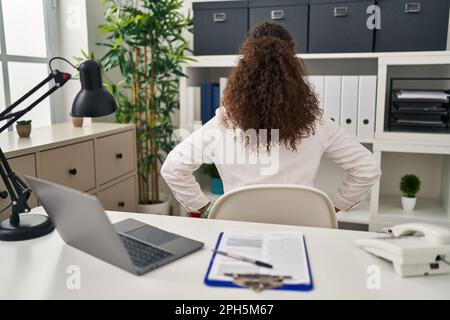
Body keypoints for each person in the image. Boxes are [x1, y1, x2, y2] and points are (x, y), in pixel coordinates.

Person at [161, 22, 381, 216]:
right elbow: (367, 168)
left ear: (245, 67)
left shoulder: (223, 123)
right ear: (293, 66)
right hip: (301, 229)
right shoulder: (316, 123)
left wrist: (205, 208)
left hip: (237, 231)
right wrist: (331, 208)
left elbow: (173, 168)